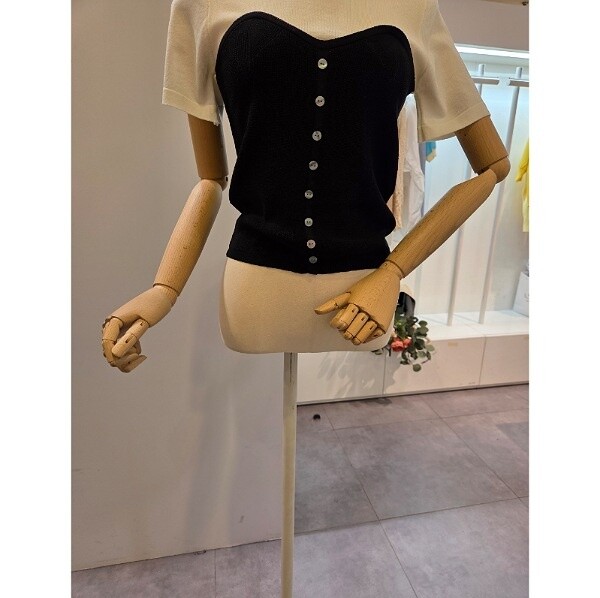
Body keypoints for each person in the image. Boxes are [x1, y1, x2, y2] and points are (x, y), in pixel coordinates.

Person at [101, 0, 509, 371]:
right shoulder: (202, 4)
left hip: (365, 289)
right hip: (255, 295)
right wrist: (164, 289)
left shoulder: (413, 7)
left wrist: (391, 272)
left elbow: (492, 165)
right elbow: (210, 179)